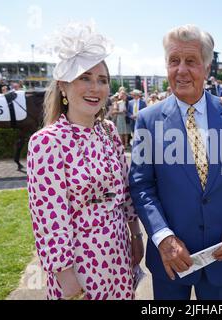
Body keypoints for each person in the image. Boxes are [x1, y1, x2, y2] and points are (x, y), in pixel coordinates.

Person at [129, 24, 222, 300]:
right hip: (169, 260)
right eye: (173, 61)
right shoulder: (148, 119)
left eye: (191, 61)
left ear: (207, 67)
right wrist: (163, 236)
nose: (181, 70)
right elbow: (141, 186)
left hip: (221, 256)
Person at [26, 24, 144, 300]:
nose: (96, 88)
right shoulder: (46, 141)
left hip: (119, 257)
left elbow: (124, 195)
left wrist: (135, 237)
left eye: (103, 80)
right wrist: (65, 276)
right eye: (85, 78)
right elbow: (48, 216)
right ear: (64, 86)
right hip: (80, 267)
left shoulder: (109, 132)